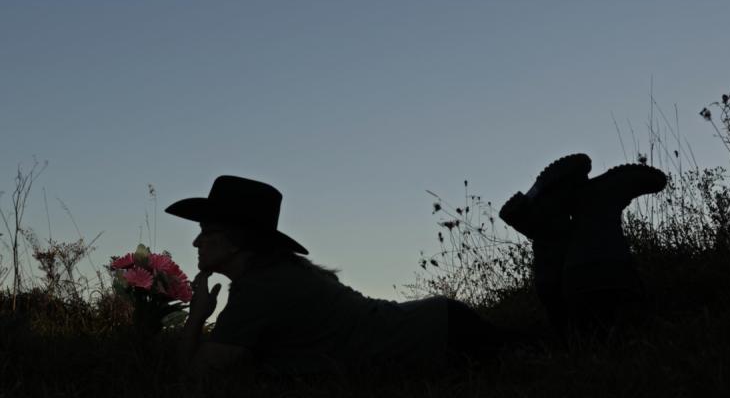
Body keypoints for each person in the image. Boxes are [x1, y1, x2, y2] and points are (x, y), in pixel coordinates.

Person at [165, 176, 519, 377]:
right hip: (441, 324)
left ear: (236, 240)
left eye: (207, 232)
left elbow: (198, 378)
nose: (196, 241)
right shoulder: (274, 276)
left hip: (440, 340)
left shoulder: (260, 290)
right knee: (537, 344)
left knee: (538, 353)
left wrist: (196, 316)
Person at [499, 154, 667, 339]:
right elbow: (657, 181)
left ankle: (548, 214)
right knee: (621, 330)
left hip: (567, 284)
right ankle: (589, 199)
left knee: (551, 237)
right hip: (610, 273)